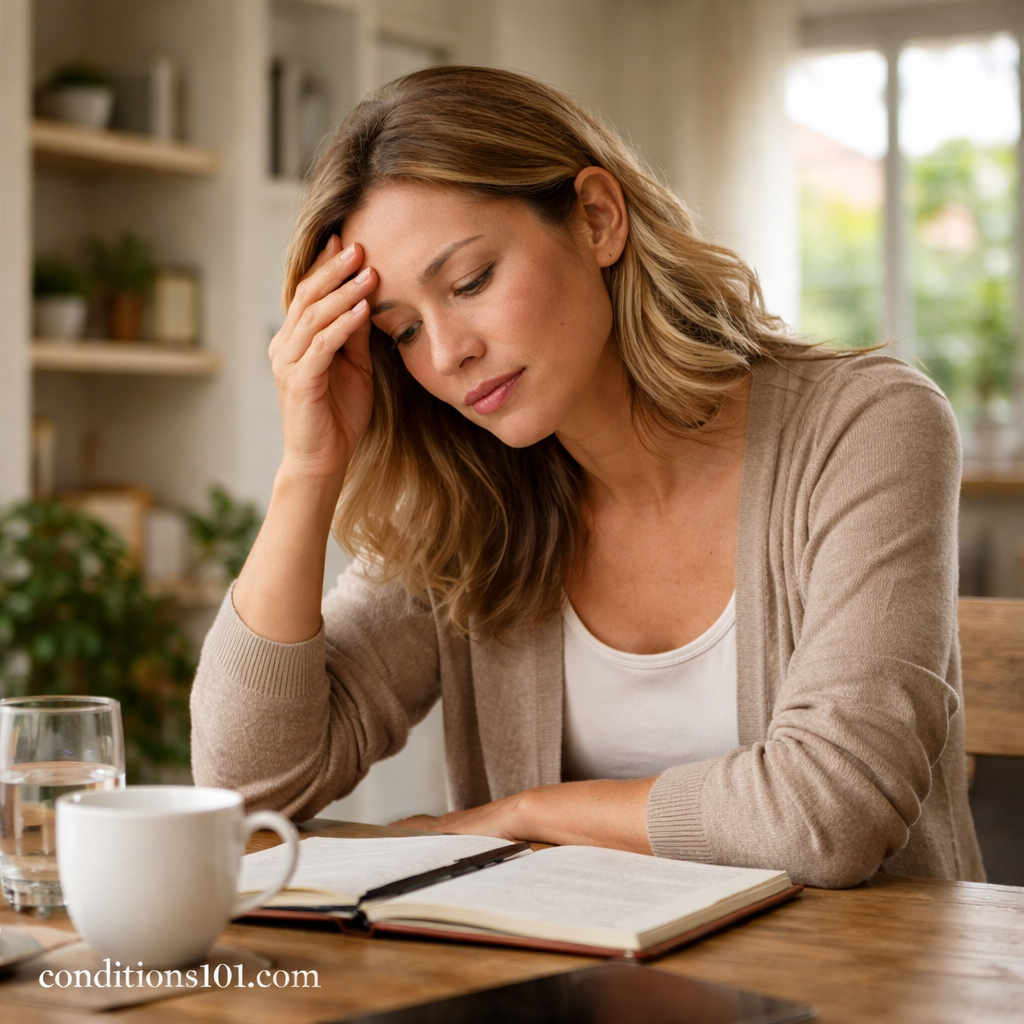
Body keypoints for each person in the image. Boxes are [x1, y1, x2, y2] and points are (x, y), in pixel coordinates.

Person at [191, 66, 984, 888]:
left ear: (598, 220)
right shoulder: (467, 500)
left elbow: (830, 812)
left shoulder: (866, 425)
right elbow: (247, 789)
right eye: (400, 332)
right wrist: (307, 472)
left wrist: (523, 815)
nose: (445, 352)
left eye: (469, 282)